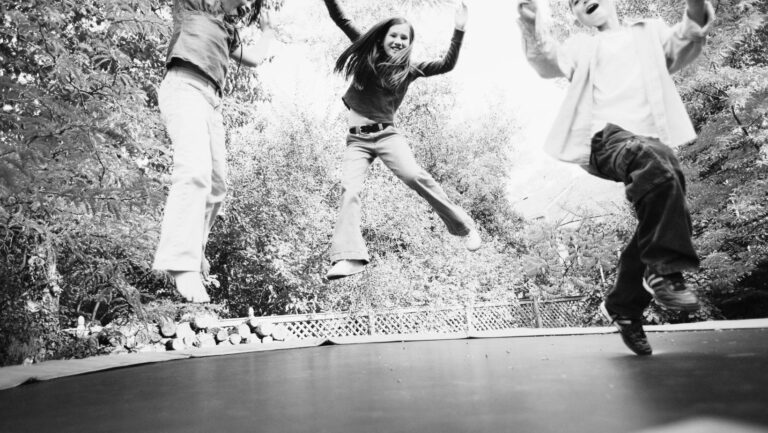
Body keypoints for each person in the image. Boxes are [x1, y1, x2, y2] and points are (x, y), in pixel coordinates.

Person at [517, 0, 715, 355]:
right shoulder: (581, 47)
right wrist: (531, 20)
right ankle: (664, 271)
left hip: (650, 144)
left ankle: (624, 305)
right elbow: (546, 60)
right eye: (575, 2)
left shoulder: (650, 33)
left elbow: (689, 35)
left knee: (665, 209)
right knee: (655, 162)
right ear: (577, 15)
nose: (583, 1)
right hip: (605, 139)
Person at [322, 0, 482, 280]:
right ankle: (351, 256)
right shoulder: (366, 51)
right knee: (350, 190)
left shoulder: (410, 69)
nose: (398, 41)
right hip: (356, 141)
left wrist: (459, 30)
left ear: (409, 44)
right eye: (393, 35)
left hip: (387, 135)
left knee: (414, 176)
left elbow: (446, 64)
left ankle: (464, 227)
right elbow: (341, 19)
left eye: (404, 38)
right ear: (382, 38)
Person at [153, 0, 275, 302]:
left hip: (212, 102)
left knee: (217, 186)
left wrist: (268, 31)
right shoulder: (192, 6)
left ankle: (194, 251)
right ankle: (181, 262)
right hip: (184, 87)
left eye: (251, 6)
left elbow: (255, 57)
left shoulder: (229, 32)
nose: (246, 7)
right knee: (194, 172)